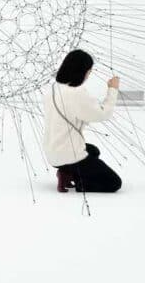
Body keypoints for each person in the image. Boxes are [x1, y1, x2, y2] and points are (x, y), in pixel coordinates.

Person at [42, 49, 122, 193]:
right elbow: (103, 114)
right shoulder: (76, 93)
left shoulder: (53, 89)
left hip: (52, 153)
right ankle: (80, 182)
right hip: (68, 154)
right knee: (114, 183)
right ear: (82, 71)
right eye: (89, 71)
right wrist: (112, 90)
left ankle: (65, 173)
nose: (88, 75)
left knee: (92, 150)